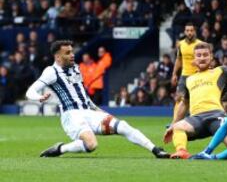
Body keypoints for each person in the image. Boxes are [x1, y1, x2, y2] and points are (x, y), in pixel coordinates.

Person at [26, 40, 169, 159]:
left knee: (123, 126)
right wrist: (39, 97)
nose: (72, 55)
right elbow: (30, 91)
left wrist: (99, 111)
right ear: (57, 57)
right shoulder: (51, 71)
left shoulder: (76, 68)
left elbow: (83, 96)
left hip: (88, 111)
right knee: (92, 145)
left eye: (72, 51)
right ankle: (60, 149)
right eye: (67, 53)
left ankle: (156, 150)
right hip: (72, 116)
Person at [164, 36, 227, 159]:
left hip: (217, 116)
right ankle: (182, 152)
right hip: (196, 119)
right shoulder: (189, 79)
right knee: (177, 128)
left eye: (205, 55)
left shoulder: (220, 72)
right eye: (199, 55)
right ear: (194, 59)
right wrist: (173, 124)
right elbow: (184, 104)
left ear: (211, 57)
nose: (202, 58)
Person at [171, 22, 203, 120]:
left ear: (194, 32)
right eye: (187, 30)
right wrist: (174, 74)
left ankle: (194, 120)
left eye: (191, 30)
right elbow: (178, 60)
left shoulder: (200, 44)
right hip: (184, 76)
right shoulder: (181, 44)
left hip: (197, 76)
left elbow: (207, 59)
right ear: (185, 32)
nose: (189, 33)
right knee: (179, 98)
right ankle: (175, 122)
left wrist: (198, 62)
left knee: (195, 100)